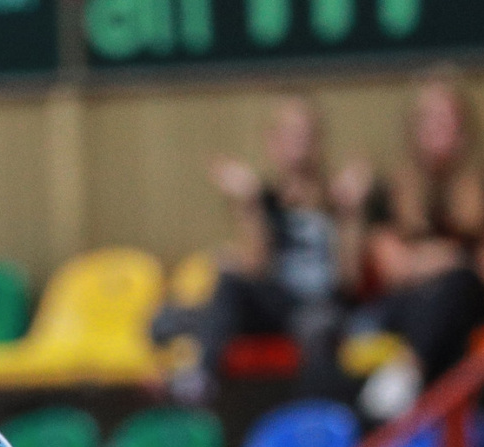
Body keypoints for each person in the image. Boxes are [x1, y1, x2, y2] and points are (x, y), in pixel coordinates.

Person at [152, 96, 373, 401]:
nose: (297, 144)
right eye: (288, 134)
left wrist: (352, 214)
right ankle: (198, 378)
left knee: (318, 325)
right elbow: (257, 266)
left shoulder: (337, 198)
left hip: (321, 306)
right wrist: (248, 205)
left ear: (319, 142)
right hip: (277, 303)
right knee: (226, 282)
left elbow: (349, 278)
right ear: (272, 142)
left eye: (305, 134)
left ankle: (319, 413)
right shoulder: (264, 197)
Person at [354, 71, 484, 419]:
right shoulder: (390, 191)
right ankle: (425, 402)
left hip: (464, 306)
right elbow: (395, 269)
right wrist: (462, 257)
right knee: (453, 291)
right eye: (432, 119)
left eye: (450, 120)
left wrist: (440, 260)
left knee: (460, 291)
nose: (442, 129)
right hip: (406, 306)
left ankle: (409, 374)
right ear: (413, 128)